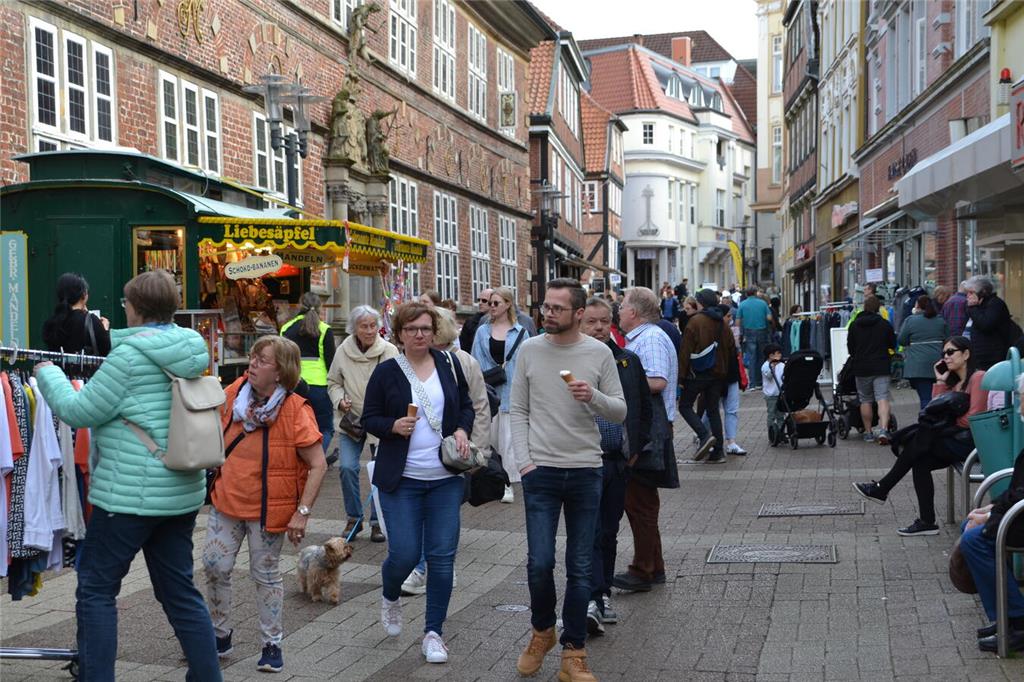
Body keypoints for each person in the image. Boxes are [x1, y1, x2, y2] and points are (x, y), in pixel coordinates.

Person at [34, 269, 221, 681]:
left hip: (128, 497)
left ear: (135, 307)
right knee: (179, 592)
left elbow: (79, 411)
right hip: (180, 491)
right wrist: (104, 336)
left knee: (97, 590)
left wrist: (46, 372)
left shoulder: (128, 358)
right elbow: (140, 347)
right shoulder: (191, 346)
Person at [511, 278, 625, 681]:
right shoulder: (528, 350)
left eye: (558, 308)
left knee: (579, 566)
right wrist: (524, 462)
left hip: (585, 471)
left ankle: (573, 651)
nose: (549, 313)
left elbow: (619, 412)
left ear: (579, 313)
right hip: (540, 471)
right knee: (540, 563)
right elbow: (518, 411)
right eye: (546, 306)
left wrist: (591, 395)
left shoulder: (600, 353)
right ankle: (542, 630)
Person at [203, 336, 328, 672]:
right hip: (227, 500)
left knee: (266, 574)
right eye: (253, 357)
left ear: (280, 371)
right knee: (214, 565)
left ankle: (272, 643)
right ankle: (219, 634)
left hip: (269, 510)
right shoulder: (233, 394)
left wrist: (302, 513)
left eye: (262, 360)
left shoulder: (295, 410)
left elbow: (318, 464)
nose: (252, 364)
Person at [362, 302, 475, 664]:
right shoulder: (387, 372)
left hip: (444, 479)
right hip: (402, 479)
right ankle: (391, 593)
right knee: (406, 553)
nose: (420, 335)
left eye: (426, 328)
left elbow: (466, 407)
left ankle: (433, 633)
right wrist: (392, 426)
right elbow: (369, 418)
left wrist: (460, 429)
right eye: (412, 329)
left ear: (434, 331)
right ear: (399, 333)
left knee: (442, 560)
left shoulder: (449, 364)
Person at [853, 336, 988, 536]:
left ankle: (882, 488)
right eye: (944, 354)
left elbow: (973, 419)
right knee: (920, 461)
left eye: (951, 352)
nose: (946, 357)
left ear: (966, 354)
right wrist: (940, 381)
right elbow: (933, 411)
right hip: (952, 438)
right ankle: (926, 521)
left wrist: (944, 425)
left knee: (919, 442)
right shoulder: (954, 381)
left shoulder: (978, 378)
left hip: (969, 443)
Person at [401, 307, 491, 596]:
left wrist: (479, 450)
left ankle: (435, 566)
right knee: (426, 514)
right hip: (418, 455)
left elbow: (479, 406)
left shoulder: (461, 361)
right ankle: (431, 566)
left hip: (456, 451)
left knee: (445, 512)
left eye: (427, 327)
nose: (420, 332)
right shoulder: (406, 362)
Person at [579, 297, 651, 635]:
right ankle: (591, 597)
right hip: (582, 461)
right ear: (580, 322)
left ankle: (603, 592)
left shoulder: (627, 361)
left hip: (617, 461)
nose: (597, 328)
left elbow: (642, 409)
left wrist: (634, 450)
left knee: (608, 532)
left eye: (603, 321)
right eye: (591, 321)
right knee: (590, 532)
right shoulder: (572, 360)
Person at [612, 287, 678, 593]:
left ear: (634, 312)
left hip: (648, 428)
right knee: (642, 500)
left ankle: (644, 569)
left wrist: (618, 385)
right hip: (649, 425)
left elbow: (657, 380)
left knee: (639, 502)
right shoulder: (643, 337)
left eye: (622, 306)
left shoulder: (649, 338)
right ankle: (654, 566)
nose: (619, 311)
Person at [959, 375, 1024, 653]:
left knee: (975, 539)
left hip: (1020, 513)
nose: (1019, 409)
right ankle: (1005, 616)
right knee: (971, 526)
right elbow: (1018, 489)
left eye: (1023, 401)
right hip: (1017, 509)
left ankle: (1017, 620)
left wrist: (990, 517)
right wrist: (989, 509)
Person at [327, 305, 398, 543]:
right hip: (352, 421)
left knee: (380, 471)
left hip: (381, 420)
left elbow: (400, 385)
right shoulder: (343, 351)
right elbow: (333, 382)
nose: (369, 330)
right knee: (347, 467)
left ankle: (378, 522)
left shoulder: (389, 351)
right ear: (354, 328)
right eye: (363, 326)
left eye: (372, 325)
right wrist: (339, 401)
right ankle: (353, 518)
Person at [472, 286, 529, 504]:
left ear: (507, 304)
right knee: (489, 441)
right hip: (488, 394)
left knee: (509, 443)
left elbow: (526, 365)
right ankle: (491, 482)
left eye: (495, 303)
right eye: (489, 303)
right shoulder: (482, 332)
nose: (490, 307)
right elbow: (474, 360)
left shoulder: (521, 332)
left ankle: (508, 484)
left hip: (512, 394)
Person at [678, 289, 736, 464]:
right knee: (713, 411)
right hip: (718, 374)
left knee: (685, 406)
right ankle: (718, 452)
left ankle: (704, 435)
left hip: (697, 373)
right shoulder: (723, 323)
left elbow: (685, 350)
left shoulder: (695, 321)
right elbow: (731, 349)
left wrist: (681, 377)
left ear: (701, 303)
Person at [281, 292, 337, 456]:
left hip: (294, 385)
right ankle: (316, 461)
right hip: (319, 387)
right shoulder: (325, 329)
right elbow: (331, 362)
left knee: (295, 428)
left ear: (300, 305)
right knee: (325, 428)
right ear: (320, 307)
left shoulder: (286, 329)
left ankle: (299, 462)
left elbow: (282, 359)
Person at [846, 295, 896, 444]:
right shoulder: (884, 324)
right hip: (881, 366)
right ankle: (883, 430)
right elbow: (892, 344)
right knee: (882, 398)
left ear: (864, 307)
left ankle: (868, 432)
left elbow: (851, 348)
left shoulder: (854, 325)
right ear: (878, 308)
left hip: (862, 367)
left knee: (865, 399)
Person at [703, 305, 747, 456]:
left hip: (731, 376)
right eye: (728, 316)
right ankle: (703, 435)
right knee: (712, 410)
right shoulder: (711, 332)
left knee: (731, 410)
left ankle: (731, 442)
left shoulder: (729, 331)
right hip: (716, 377)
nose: (731, 319)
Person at [897, 295, 949, 409]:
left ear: (917, 306)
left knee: (925, 397)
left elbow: (901, 340)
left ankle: (928, 421)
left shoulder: (910, 320)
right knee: (940, 395)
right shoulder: (940, 320)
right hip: (939, 362)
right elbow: (948, 339)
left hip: (917, 364)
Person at [41, 272, 111, 356]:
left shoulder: (52, 322)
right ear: (84, 294)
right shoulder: (91, 320)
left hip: (57, 369)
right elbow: (106, 350)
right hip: (84, 368)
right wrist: (104, 329)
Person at [964, 275, 1013, 370]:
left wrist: (973, 308)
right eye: (967, 293)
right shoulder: (978, 306)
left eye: (971, 292)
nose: (968, 296)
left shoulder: (995, 304)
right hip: (979, 356)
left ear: (983, 292)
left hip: (992, 357)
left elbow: (985, 324)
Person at [736, 286, 773, 390]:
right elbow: (769, 318)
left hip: (749, 332)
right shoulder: (762, 303)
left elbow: (738, 321)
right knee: (761, 356)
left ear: (747, 294)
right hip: (762, 331)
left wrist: (738, 334)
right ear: (756, 293)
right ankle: (760, 382)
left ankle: (752, 384)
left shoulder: (742, 305)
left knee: (752, 357)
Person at [458, 287, 493, 353]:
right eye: (478, 300)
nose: (480, 303)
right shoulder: (470, 322)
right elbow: (464, 346)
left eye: (484, 301)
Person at [761, 344, 785, 437]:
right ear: (771, 356)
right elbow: (769, 376)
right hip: (770, 395)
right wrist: (773, 367)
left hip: (780, 394)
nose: (780, 355)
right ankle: (772, 433)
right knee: (771, 414)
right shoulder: (765, 366)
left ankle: (781, 432)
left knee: (780, 415)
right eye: (778, 353)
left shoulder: (782, 365)